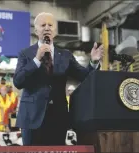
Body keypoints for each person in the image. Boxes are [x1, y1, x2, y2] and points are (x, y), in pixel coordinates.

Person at [13, 12, 104, 146]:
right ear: (36, 30)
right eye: (43, 25)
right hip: (32, 117)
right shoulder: (25, 54)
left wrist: (93, 62)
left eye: (50, 25)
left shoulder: (66, 55)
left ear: (55, 31)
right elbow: (18, 81)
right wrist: (36, 59)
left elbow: (85, 77)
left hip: (58, 116)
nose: (47, 27)